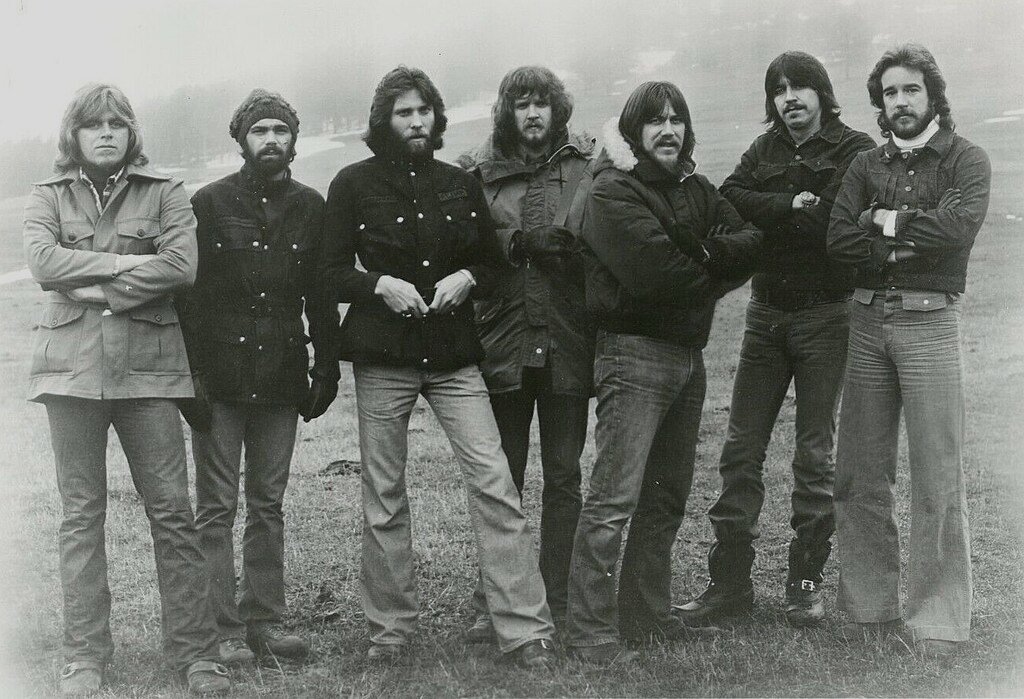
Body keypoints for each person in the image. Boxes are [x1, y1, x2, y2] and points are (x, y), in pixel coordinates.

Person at [320, 66, 556, 668]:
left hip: (454, 359)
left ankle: (524, 630)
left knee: (494, 484)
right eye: (404, 113)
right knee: (385, 494)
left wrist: (469, 276)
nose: (417, 122)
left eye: (424, 111)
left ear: (437, 118)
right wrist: (377, 286)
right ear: (384, 121)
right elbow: (325, 272)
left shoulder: (459, 184)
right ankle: (391, 632)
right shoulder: (351, 184)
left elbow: (494, 263)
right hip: (383, 358)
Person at [22, 84, 229, 696]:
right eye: (94, 124)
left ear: (131, 132)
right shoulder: (45, 195)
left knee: (172, 513)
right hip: (70, 374)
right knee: (81, 517)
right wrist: (126, 267)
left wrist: (98, 285)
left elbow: (182, 268)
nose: (107, 132)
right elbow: (42, 263)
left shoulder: (167, 191)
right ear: (75, 135)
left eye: (118, 123)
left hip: (152, 371)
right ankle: (85, 656)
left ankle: (197, 655)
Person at [565, 81, 763, 664]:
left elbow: (751, 243)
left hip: (686, 356)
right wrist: (707, 265)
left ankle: (648, 616)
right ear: (633, 132)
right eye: (654, 120)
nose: (668, 129)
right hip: (632, 355)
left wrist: (698, 254)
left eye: (677, 118)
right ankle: (591, 631)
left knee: (666, 496)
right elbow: (657, 278)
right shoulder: (610, 190)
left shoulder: (696, 187)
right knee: (613, 500)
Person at [675, 52, 875, 628]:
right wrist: (790, 203)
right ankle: (729, 586)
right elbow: (729, 200)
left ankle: (804, 582)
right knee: (740, 452)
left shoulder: (853, 147)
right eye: (779, 89)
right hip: (764, 317)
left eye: (801, 87)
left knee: (814, 455)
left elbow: (831, 222)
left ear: (822, 93)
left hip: (826, 317)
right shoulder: (763, 150)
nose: (790, 97)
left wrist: (773, 221)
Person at [828, 44, 990, 656]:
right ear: (881, 103)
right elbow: (839, 238)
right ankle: (868, 610)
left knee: (936, 474)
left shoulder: (966, 160)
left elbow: (956, 231)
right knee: (859, 473)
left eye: (911, 90)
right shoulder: (867, 163)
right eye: (890, 93)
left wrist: (884, 223)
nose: (900, 102)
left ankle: (939, 620)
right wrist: (889, 239)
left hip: (929, 326)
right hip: (867, 321)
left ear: (932, 95)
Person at [176, 89, 340, 664]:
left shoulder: (311, 205)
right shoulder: (208, 202)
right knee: (216, 506)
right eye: (259, 130)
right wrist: (191, 378)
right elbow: (187, 300)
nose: (271, 140)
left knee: (268, 503)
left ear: (294, 139)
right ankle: (220, 628)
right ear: (241, 139)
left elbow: (320, 292)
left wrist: (328, 363)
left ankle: (265, 623)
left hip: (281, 374)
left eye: (280, 130)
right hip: (220, 377)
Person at [456, 66, 595, 641]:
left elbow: (605, 234)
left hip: (567, 340)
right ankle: (502, 598)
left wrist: (576, 252)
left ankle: (557, 594)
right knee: (503, 477)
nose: (533, 114)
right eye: (521, 105)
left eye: (542, 104)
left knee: (563, 475)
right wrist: (514, 242)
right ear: (506, 113)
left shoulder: (587, 166)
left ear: (557, 110)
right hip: (504, 342)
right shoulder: (476, 172)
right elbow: (463, 240)